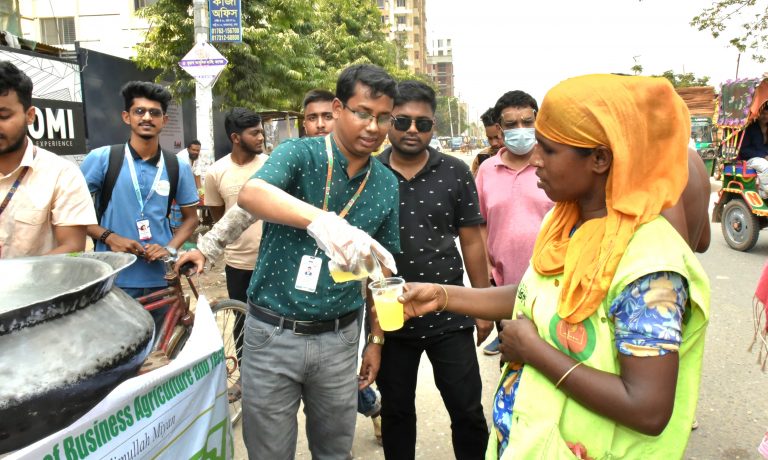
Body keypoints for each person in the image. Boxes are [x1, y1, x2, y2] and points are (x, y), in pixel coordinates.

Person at [400, 74, 710, 459]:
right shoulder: (565, 221)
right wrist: (443, 296)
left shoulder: (650, 267)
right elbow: (537, 292)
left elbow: (647, 409)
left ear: (599, 158)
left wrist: (535, 351)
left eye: (548, 150)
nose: (534, 159)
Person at [236, 64, 400, 459]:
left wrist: (375, 341)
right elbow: (251, 195)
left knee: (334, 451)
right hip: (273, 333)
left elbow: (382, 273)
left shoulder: (385, 182)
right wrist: (321, 220)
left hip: (340, 338)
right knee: (270, 452)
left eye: (383, 118)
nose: (373, 127)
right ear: (340, 108)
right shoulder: (299, 154)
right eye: (363, 112)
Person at [375, 80, 490, 459]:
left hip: (449, 313)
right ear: (389, 122)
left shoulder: (455, 172)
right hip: (390, 316)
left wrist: (482, 304)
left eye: (422, 124)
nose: (412, 130)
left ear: (433, 127)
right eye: (403, 121)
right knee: (396, 413)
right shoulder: (369, 174)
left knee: (468, 412)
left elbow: (472, 239)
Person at [80, 81, 199, 326]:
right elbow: (72, 214)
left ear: (164, 120)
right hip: (114, 277)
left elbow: (191, 218)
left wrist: (170, 248)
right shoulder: (103, 159)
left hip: (162, 278)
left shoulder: (178, 166)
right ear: (127, 117)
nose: (147, 117)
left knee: (165, 354)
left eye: (154, 113)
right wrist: (109, 237)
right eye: (139, 111)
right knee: (118, 354)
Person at [477, 91, 553, 356]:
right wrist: (486, 266)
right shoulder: (487, 170)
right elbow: (480, 223)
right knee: (512, 358)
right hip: (504, 285)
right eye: (511, 124)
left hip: (552, 283)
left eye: (527, 122)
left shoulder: (554, 164)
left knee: (550, 356)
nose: (520, 129)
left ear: (537, 122)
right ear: (499, 129)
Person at [0, 61, 96, 258]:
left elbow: (72, 247)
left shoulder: (61, 174)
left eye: (3, 116)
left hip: (37, 288)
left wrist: (12, 276)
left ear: (30, 116)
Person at [170, 139, 202, 231]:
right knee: (178, 220)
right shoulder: (181, 158)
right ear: (188, 149)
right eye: (193, 150)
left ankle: (185, 230)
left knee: (188, 218)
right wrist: (193, 193)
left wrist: (201, 191)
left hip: (186, 189)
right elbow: (184, 179)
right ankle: (176, 232)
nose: (196, 152)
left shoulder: (196, 157)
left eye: (198, 150)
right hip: (177, 187)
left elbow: (197, 173)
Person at [739, 102, 768, 197]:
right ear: (758, 114)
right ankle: (764, 194)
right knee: (765, 166)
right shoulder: (750, 128)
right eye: (763, 113)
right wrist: (763, 156)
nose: (765, 116)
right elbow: (743, 150)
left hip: (765, 157)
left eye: (767, 113)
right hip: (751, 159)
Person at [470, 107, 503, 176]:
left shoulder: (521, 156)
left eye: (497, 137)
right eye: (490, 138)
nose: (493, 143)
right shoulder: (482, 157)